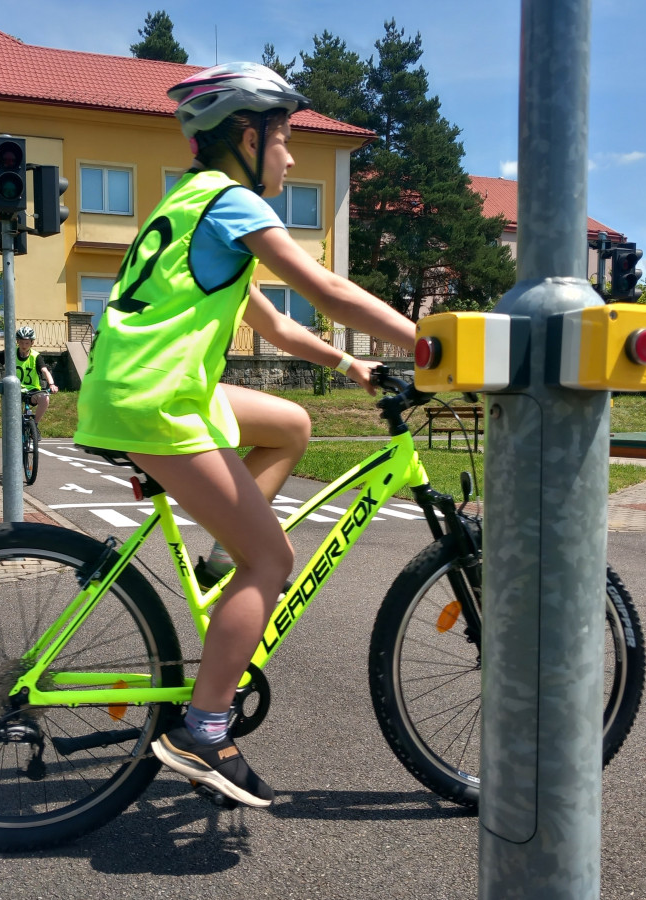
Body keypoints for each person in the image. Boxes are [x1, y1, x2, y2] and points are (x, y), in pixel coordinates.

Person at [73, 62, 417, 808]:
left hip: (154, 391)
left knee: (291, 422)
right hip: (155, 402)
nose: (291, 158)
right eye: (285, 139)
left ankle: (222, 561)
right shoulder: (229, 205)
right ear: (246, 135)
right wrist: (426, 344)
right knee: (274, 558)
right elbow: (324, 286)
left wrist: (350, 365)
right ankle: (201, 728)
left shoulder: (189, 206)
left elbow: (280, 323)